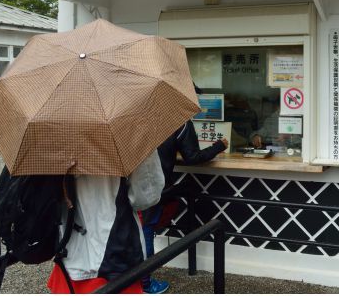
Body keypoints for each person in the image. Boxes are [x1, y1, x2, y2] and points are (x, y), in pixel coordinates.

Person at [141, 87, 228, 294]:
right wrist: (219, 145)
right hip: (154, 186)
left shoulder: (139, 116)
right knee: (146, 232)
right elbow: (193, 157)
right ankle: (144, 283)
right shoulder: (179, 123)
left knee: (133, 230)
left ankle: (125, 279)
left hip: (125, 184)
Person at [47, 149, 165, 294]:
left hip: (68, 251)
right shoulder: (130, 131)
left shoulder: (50, 135)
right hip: (113, 254)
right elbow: (146, 197)